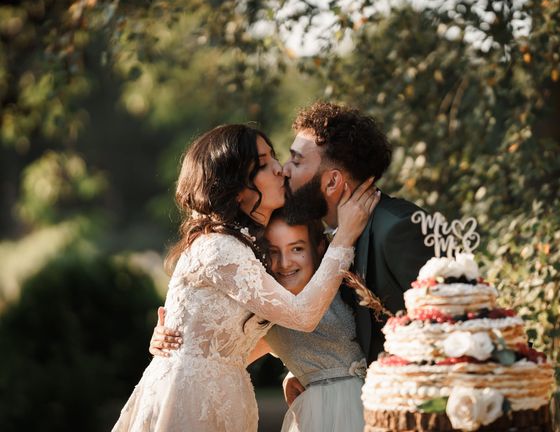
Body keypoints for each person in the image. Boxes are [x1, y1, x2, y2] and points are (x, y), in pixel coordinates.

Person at [151, 102, 433, 407]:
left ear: (333, 181)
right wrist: (183, 342)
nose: (283, 168)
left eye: (295, 161)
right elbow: (245, 342)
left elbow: (445, 323)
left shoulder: (392, 229)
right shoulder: (269, 255)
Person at [111, 124, 379, 432]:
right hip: (192, 400)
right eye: (264, 164)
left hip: (226, 395)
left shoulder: (248, 249)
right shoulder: (220, 248)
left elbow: (243, 340)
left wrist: (304, 371)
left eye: (274, 158)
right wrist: (345, 238)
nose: (280, 170)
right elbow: (302, 316)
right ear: (235, 187)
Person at [152, 210, 367, 432]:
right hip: (321, 417)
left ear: (319, 247)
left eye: (297, 249)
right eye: (273, 252)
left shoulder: (342, 282)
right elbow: (221, 358)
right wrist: (168, 345)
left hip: (374, 400)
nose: (284, 263)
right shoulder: (267, 313)